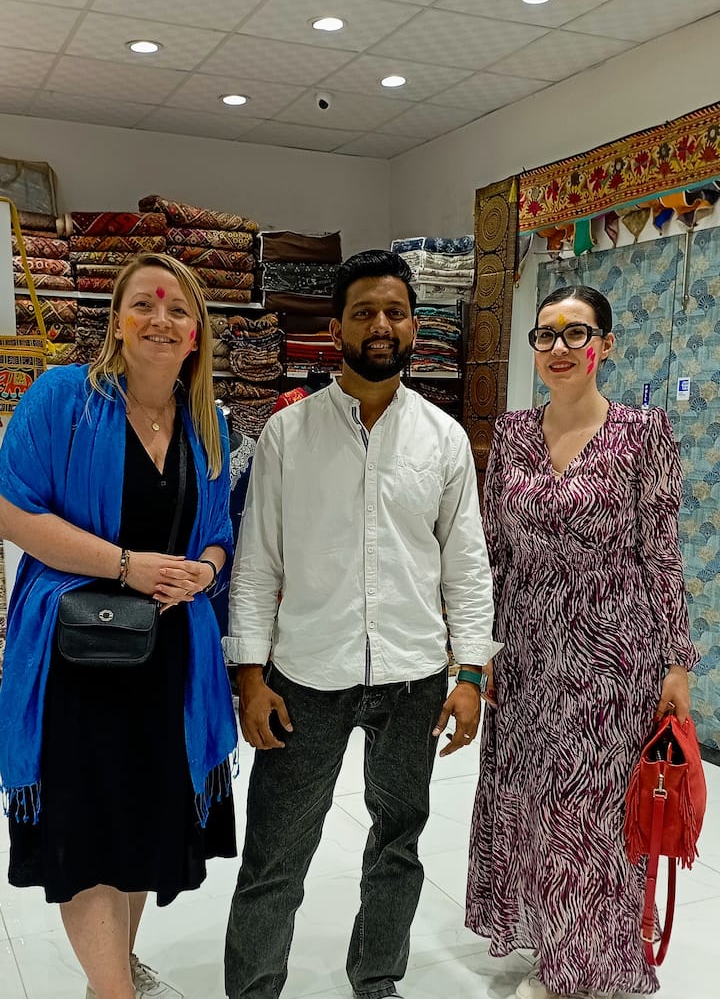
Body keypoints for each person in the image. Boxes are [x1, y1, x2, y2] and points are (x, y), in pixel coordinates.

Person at [223, 248, 499, 999]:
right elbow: (258, 564)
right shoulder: (288, 435)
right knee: (276, 853)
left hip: (414, 677)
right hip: (307, 675)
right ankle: (254, 989)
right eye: (365, 312)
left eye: (395, 312)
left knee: (398, 843)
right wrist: (250, 675)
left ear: (413, 326)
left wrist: (470, 674)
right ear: (336, 329)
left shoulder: (442, 438)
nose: (382, 325)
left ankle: (377, 980)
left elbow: (466, 566)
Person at [0, 252, 238, 999]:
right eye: (144, 304)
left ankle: (115, 971)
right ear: (116, 322)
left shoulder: (207, 423)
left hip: (167, 658)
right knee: (87, 832)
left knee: (136, 820)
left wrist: (204, 570)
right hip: (77, 656)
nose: (160, 319)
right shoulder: (63, 398)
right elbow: (11, 509)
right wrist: (126, 566)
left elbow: (218, 532)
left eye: (177, 309)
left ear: (196, 333)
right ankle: (114, 992)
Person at [467, 285, 699, 999]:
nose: (560, 348)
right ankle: (556, 944)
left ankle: (582, 968)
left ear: (605, 345)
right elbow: (492, 551)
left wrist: (677, 663)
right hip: (527, 649)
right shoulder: (511, 434)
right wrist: (479, 652)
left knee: (592, 812)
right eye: (546, 335)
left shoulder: (642, 432)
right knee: (534, 801)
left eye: (577, 333)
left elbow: (661, 552)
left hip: (613, 653)